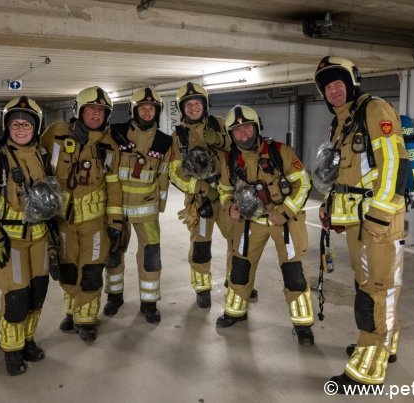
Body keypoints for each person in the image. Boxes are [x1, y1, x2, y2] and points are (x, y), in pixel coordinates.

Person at [314, 56, 408, 393]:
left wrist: (379, 216)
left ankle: (367, 371)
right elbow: (346, 173)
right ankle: (386, 346)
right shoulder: (342, 122)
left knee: (374, 292)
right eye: (327, 86)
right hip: (358, 220)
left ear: (352, 83)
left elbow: (394, 162)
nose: (333, 90)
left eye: (338, 83)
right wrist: (329, 207)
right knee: (372, 285)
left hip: (377, 221)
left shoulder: (374, 109)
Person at [215, 105, 314, 345]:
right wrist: (230, 206)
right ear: (231, 135)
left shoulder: (280, 151)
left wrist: (286, 211)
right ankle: (235, 312)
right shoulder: (230, 160)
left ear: (256, 127)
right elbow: (224, 189)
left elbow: (303, 183)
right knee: (240, 269)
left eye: (247, 127)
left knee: (294, 274)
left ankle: (303, 326)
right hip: (250, 224)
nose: (243, 134)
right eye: (237, 130)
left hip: (284, 222)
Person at [0, 96, 56, 375]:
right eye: (16, 124)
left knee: (38, 294)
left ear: (36, 127)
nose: (21, 129)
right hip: (12, 243)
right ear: (7, 127)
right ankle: (11, 350)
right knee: (16, 298)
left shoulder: (42, 155)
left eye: (27, 124)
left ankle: (28, 340)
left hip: (41, 237)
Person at [40, 86, 123, 342]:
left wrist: (115, 222)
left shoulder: (109, 146)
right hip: (62, 221)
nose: (96, 114)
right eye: (91, 109)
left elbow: (113, 185)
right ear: (79, 111)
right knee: (68, 270)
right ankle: (71, 311)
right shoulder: (55, 134)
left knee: (90, 272)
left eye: (101, 110)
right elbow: (33, 159)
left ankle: (86, 320)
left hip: (94, 224)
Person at [103, 88, 172, 323]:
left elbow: (164, 176)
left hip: (147, 212)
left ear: (157, 111)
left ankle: (149, 302)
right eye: (142, 107)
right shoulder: (116, 133)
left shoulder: (165, 142)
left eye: (151, 108)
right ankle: (114, 296)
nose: (147, 111)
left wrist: (160, 206)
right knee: (113, 253)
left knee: (150, 256)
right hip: (117, 209)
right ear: (134, 110)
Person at [168, 82, 232, 309]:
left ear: (205, 105)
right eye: (189, 105)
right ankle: (203, 288)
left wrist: (221, 140)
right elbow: (175, 174)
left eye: (197, 103)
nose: (194, 108)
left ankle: (236, 281)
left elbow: (243, 149)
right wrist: (203, 189)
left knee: (236, 239)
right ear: (182, 108)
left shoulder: (221, 124)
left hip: (227, 197)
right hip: (201, 200)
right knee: (201, 244)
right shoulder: (178, 137)